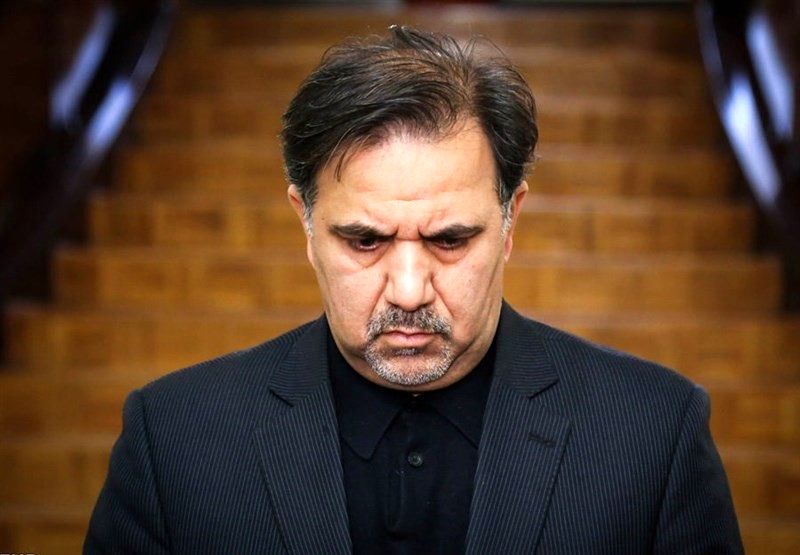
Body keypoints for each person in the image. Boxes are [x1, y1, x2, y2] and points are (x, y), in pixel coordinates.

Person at [85, 26, 743, 554]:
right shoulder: (173, 438)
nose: (407, 290)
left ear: (510, 221)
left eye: (449, 239)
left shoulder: (656, 433)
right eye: (364, 240)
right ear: (305, 222)